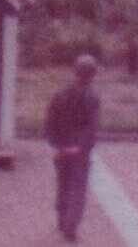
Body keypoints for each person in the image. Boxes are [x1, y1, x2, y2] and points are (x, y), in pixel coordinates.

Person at [45, 53, 101, 241]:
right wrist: (82, 146)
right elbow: (91, 127)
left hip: (61, 145)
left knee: (63, 183)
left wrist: (55, 143)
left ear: (75, 71)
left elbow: (50, 120)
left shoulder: (61, 94)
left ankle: (61, 219)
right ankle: (71, 225)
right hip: (79, 149)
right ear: (93, 74)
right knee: (77, 187)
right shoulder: (92, 97)